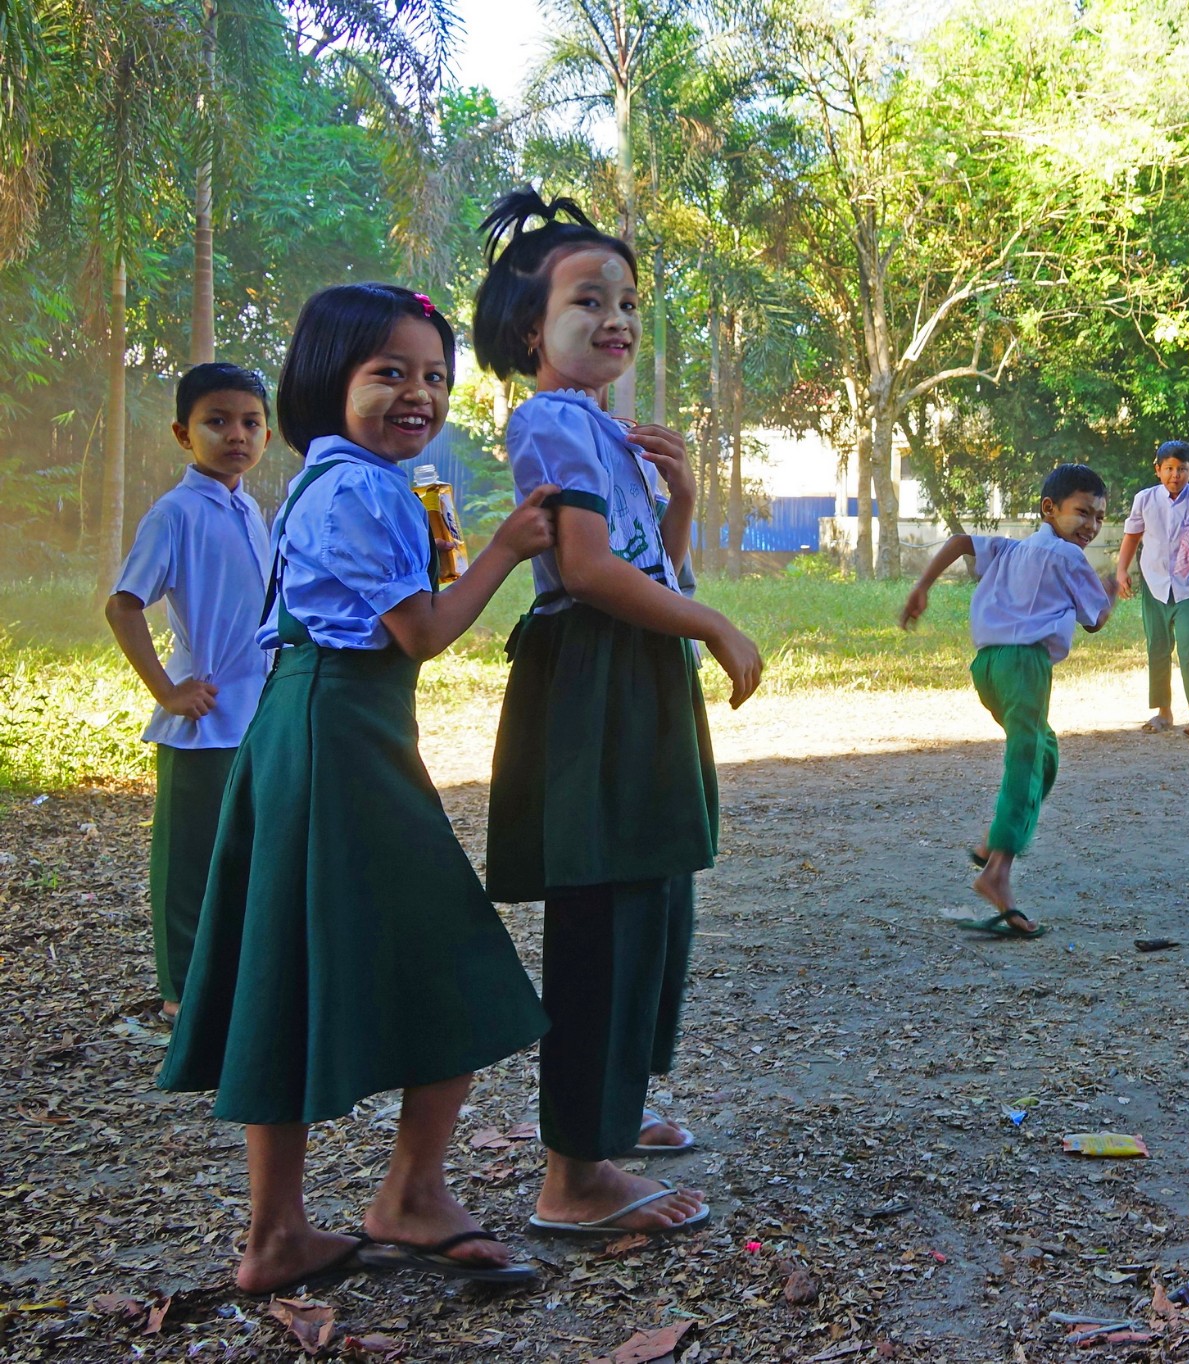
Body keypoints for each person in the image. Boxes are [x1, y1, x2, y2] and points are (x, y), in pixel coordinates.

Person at [158, 284, 559, 1294]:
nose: (415, 393)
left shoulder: (357, 480)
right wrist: (510, 548)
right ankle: (398, 1197)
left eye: (432, 375)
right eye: (388, 372)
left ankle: (285, 1231)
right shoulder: (355, 489)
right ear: (325, 380)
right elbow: (421, 630)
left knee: (292, 957)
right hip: (337, 730)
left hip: (333, 723)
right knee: (457, 953)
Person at [472, 189, 764, 1240]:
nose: (616, 317)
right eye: (586, 299)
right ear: (525, 330)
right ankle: (571, 1172)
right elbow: (589, 571)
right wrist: (716, 625)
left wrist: (678, 502)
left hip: (630, 672)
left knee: (651, 898)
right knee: (605, 909)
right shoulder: (549, 421)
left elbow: (647, 563)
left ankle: (609, 1118)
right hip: (597, 675)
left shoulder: (597, 430)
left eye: (627, 299)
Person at [105, 363, 274, 1022]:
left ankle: (232, 984)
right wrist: (169, 689)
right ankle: (181, 998)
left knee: (247, 854)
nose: (236, 435)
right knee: (190, 864)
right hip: (202, 719)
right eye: (217, 421)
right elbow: (124, 607)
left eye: (251, 422)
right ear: (183, 433)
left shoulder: (250, 508)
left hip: (256, 714)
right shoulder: (174, 512)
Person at [899, 463, 1115, 939]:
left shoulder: (1010, 549)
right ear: (1049, 509)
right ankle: (996, 873)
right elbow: (1096, 619)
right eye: (1082, 512)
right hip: (1025, 668)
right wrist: (1113, 592)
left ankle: (994, 844)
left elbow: (959, 543)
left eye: (1099, 517)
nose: (1091, 526)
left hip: (989, 669)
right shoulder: (1068, 557)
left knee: (1045, 755)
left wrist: (922, 586)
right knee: (1026, 759)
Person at [1115, 439, 1189, 740]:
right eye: (1169, 468)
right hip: (1155, 585)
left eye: (1182, 469)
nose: (1175, 475)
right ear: (1158, 469)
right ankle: (1163, 712)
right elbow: (1132, 536)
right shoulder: (1145, 499)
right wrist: (1122, 570)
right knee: (1157, 649)